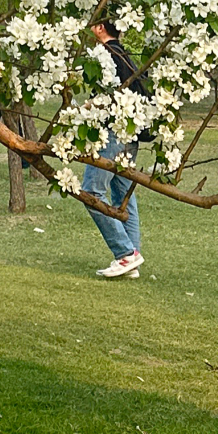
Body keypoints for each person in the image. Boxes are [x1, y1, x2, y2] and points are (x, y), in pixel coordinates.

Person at [80, 16, 150, 279]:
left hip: (113, 131)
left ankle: (125, 253)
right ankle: (131, 258)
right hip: (130, 130)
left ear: (100, 28)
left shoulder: (105, 55)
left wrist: (81, 112)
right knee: (123, 196)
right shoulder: (125, 55)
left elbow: (105, 96)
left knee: (91, 191)